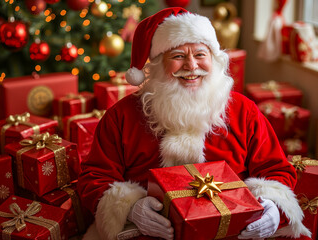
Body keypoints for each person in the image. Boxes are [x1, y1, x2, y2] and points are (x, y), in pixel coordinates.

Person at [78, 7, 311, 240]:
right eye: (178, 56)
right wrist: (130, 209)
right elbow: (95, 177)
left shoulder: (244, 111)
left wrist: (273, 205)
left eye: (200, 54)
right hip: (150, 233)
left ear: (214, 59)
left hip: (235, 231)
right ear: (158, 63)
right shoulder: (122, 115)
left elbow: (275, 169)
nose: (191, 66)